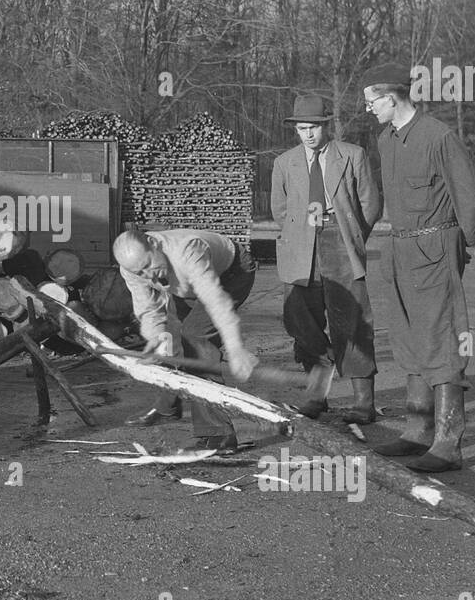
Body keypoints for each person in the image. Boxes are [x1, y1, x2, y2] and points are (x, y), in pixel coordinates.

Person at [363, 63, 475, 472]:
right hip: (398, 252)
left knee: (441, 341)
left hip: (435, 249)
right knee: (408, 340)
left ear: (392, 97)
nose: (369, 110)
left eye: (372, 102)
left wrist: (459, 247)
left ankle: (448, 444)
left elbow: (470, 197)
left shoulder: (438, 136)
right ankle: (416, 432)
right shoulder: (386, 140)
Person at [270, 91, 381, 422]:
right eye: (302, 128)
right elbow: (280, 209)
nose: (308, 134)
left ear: (327, 126)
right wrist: (299, 233)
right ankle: (316, 396)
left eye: (315, 127)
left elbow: (370, 204)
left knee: (353, 319)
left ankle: (364, 404)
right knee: (301, 320)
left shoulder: (352, 155)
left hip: (339, 241)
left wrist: (351, 235)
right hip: (299, 245)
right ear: (295, 129)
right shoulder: (283, 163)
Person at [114, 226, 259, 453]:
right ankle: (167, 406)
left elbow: (215, 301)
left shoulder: (188, 250)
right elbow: (149, 309)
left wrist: (235, 347)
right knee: (168, 339)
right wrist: (156, 338)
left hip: (230, 273)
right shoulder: (133, 268)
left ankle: (219, 434)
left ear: (155, 244)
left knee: (197, 340)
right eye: (139, 273)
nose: (147, 276)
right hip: (182, 284)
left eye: (147, 266)